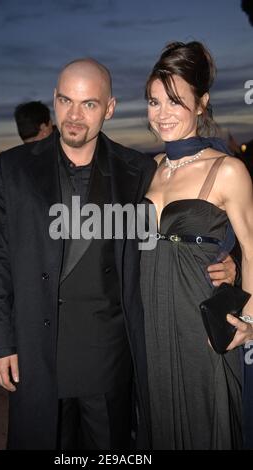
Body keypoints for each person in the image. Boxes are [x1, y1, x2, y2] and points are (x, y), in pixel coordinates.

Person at [0, 58, 236, 450]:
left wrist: (223, 257)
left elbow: (176, 230)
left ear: (110, 108)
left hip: (109, 357)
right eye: (66, 101)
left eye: (89, 104)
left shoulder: (137, 170)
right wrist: (2, 343)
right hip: (37, 351)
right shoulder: (14, 167)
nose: (74, 115)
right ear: (54, 100)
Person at [140, 41, 253, 449]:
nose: (162, 114)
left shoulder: (227, 170)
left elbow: (252, 246)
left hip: (199, 320)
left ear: (201, 103)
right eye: (154, 102)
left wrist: (250, 321)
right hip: (149, 318)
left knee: (206, 423)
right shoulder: (146, 170)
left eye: (175, 101)